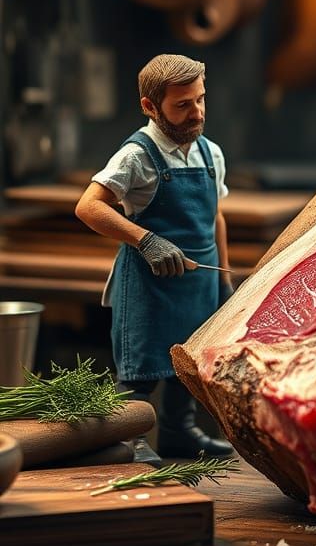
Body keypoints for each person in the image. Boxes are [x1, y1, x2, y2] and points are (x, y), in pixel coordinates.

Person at [75, 54, 234, 463]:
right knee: (141, 366)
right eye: (182, 105)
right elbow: (89, 207)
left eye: (200, 100)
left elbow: (216, 213)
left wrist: (224, 278)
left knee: (187, 363)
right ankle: (129, 439)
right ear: (150, 106)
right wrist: (146, 240)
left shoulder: (210, 153)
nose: (196, 112)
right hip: (149, 282)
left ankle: (180, 432)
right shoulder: (137, 156)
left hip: (199, 280)